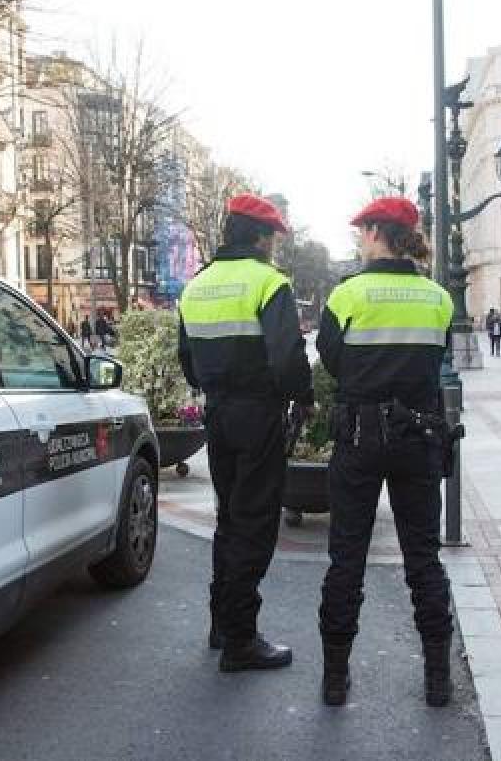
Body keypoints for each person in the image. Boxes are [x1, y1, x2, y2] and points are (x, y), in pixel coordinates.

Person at [317, 196, 455, 708]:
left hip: (358, 436)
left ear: (377, 232)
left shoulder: (348, 292)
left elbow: (331, 360)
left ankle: (335, 678)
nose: (359, 238)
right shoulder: (438, 297)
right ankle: (437, 679)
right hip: (418, 437)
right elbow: (435, 357)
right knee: (423, 557)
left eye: (362, 231)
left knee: (346, 557)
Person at [178, 193, 314, 671]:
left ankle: (220, 623)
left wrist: (216, 385)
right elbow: (287, 357)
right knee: (255, 522)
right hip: (258, 414)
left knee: (230, 519)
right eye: (272, 236)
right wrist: (303, 395)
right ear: (260, 236)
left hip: (218, 414)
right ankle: (241, 639)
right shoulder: (268, 282)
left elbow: (187, 361)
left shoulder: (196, 285)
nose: (275, 244)